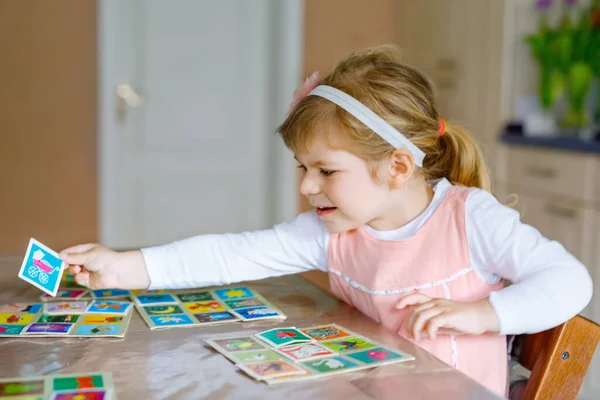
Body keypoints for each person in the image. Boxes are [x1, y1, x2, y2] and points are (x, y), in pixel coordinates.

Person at [59, 45, 592, 396]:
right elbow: (231, 253)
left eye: (326, 170)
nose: (307, 186)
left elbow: (571, 282)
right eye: (303, 168)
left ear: (397, 167)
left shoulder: (469, 219)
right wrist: (124, 266)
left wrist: (483, 315)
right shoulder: (334, 231)